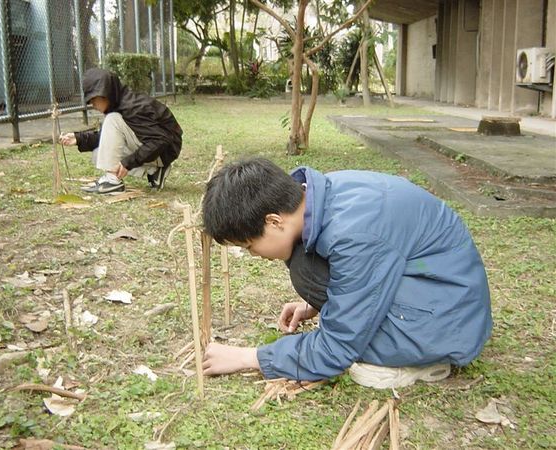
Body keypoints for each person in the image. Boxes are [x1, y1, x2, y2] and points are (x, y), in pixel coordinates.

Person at [201, 157, 492, 389]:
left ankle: (424, 359)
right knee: (305, 263)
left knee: (311, 278)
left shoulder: (355, 235)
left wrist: (246, 357)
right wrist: (314, 305)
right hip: (436, 288)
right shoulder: (321, 194)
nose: (254, 255)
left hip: (448, 324)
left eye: (250, 245)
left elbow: (336, 348)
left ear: (274, 221)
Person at [59, 68, 183, 194]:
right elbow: (108, 140)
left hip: (165, 150)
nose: (92, 104)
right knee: (98, 153)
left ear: (104, 93)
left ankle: (113, 182)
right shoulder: (120, 104)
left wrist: (128, 163)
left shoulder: (131, 108)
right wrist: (78, 138)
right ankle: (155, 171)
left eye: (93, 99)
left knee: (112, 119)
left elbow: (160, 140)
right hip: (161, 150)